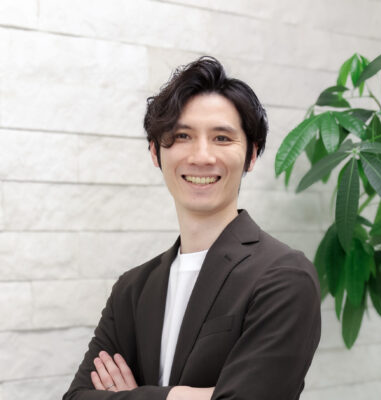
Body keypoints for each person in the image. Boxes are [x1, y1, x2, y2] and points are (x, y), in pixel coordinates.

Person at [63, 56, 321, 400]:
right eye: (182, 136)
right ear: (155, 152)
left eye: (222, 138)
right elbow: (77, 397)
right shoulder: (132, 289)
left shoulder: (283, 277)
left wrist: (137, 395)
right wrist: (188, 396)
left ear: (251, 154)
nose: (201, 156)